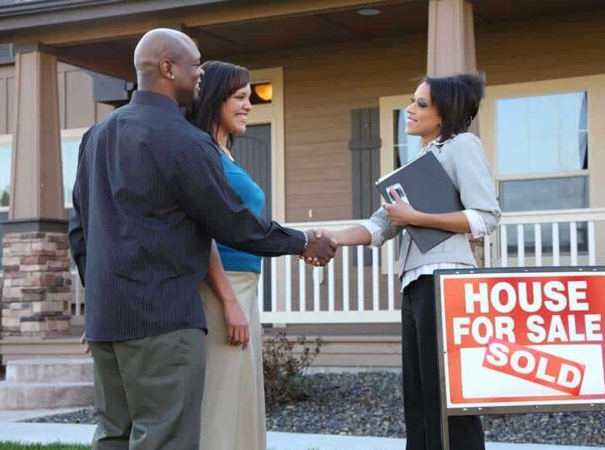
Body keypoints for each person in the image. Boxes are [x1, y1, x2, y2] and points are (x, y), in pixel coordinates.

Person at [68, 29, 336, 450]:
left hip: (106, 321)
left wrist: (99, 298)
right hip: (163, 322)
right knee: (164, 439)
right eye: (194, 65)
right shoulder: (186, 142)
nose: (200, 74)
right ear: (167, 69)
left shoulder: (96, 136)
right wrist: (302, 241)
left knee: (114, 437)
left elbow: (78, 229)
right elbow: (232, 223)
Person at [315, 73, 501, 450]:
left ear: (444, 112)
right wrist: (329, 237)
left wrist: (417, 217)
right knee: (419, 393)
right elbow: (381, 225)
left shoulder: (461, 145)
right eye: (411, 101)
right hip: (416, 283)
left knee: (446, 390)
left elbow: (486, 217)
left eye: (421, 103)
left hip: (446, 282)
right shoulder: (419, 161)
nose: (409, 109)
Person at [184, 60, 268, 450]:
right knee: (221, 401)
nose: (248, 105)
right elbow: (202, 233)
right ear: (215, 99)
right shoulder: (203, 154)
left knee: (242, 398)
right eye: (239, 97)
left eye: (249, 97)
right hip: (221, 289)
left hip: (244, 287)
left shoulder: (224, 153)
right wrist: (229, 301)